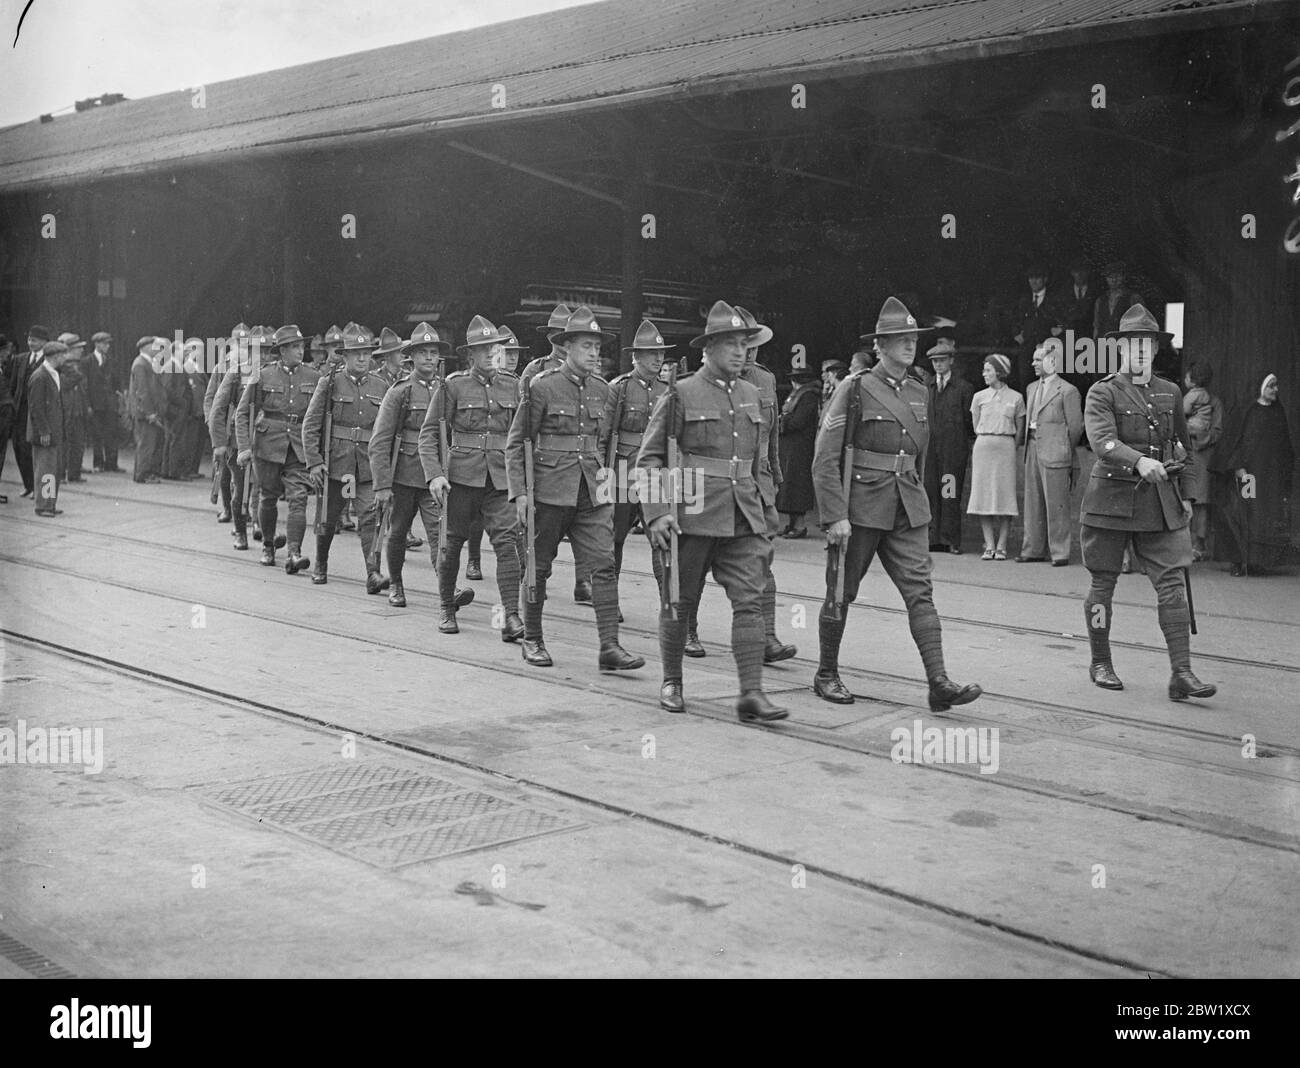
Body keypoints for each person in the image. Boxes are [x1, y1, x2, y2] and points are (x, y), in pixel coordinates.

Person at [810, 296, 982, 712]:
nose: (908, 345)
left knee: (921, 593)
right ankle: (826, 673)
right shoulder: (855, 388)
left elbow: (920, 455)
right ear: (880, 347)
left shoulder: (921, 391)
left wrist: (919, 497)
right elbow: (824, 457)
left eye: (912, 338)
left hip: (906, 505)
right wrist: (835, 515)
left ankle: (938, 682)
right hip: (861, 507)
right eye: (898, 339)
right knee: (841, 590)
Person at [637, 299, 787, 721]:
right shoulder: (681, 394)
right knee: (678, 601)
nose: (740, 352)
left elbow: (758, 461)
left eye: (744, 343)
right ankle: (672, 680)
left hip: (743, 515)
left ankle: (751, 692)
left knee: (750, 602)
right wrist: (657, 513)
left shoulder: (753, 394)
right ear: (709, 349)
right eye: (730, 344)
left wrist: (766, 510)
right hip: (692, 513)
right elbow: (649, 459)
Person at [1080, 304, 1214, 701]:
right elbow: (1102, 441)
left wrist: (1187, 495)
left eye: (1147, 343)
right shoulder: (1102, 391)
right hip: (1111, 501)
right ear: (1121, 348)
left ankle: (1182, 673)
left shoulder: (1171, 392)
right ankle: (1100, 661)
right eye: (1133, 343)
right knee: (1103, 583)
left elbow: (1185, 449)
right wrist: (1139, 461)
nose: (1140, 350)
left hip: (1160, 502)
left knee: (1172, 583)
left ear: (1156, 349)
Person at [506, 305, 643, 672]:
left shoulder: (603, 390)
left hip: (591, 491)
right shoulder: (543, 387)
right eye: (586, 346)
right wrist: (520, 492)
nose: (595, 353)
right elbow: (519, 441)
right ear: (566, 348)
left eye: (598, 347)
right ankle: (532, 638)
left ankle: (609, 646)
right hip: (549, 490)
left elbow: (605, 442)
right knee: (539, 565)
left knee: (603, 563)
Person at [415, 316, 521, 634]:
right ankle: (447, 608)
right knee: (452, 543)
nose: (491, 354)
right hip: (461, 478)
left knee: (507, 544)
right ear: (470, 355)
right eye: (483, 349)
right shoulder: (454, 386)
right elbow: (429, 434)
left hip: (500, 479)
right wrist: (434, 475)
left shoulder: (513, 386)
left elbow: (523, 436)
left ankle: (511, 617)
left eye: (495, 348)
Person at [371, 323, 474, 610]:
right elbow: (380, 441)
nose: (429, 358)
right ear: (411, 357)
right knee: (399, 529)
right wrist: (381, 484)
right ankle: (396, 584)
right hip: (403, 473)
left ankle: (447, 586)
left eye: (433, 353)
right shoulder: (400, 392)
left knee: (438, 532)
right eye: (423, 353)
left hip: (436, 475)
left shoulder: (447, 389)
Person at [302, 323, 391, 592]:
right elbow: (311, 424)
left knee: (369, 517)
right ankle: (321, 563)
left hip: (365, 467)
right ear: (345, 356)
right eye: (356, 354)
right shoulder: (329, 383)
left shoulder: (382, 386)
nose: (362, 358)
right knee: (327, 519)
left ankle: (373, 573)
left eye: (366, 353)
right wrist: (315, 462)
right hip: (336, 465)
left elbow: (386, 431)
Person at [235, 324, 319, 573]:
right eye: (294, 347)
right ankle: (269, 545)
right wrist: (243, 447)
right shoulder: (263, 375)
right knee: (268, 497)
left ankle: (294, 552)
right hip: (268, 444)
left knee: (299, 498)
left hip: (299, 445)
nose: (299, 351)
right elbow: (242, 413)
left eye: (301, 346)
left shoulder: (314, 377)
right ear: (281, 351)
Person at [602, 319, 669, 600]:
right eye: (650, 353)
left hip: (656, 472)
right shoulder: (620, 388)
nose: (658, 358)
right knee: (614, 538)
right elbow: (605, 435)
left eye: (661, 353)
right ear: (635, 357)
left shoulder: (668, 390)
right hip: (622, 469)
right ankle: (609, 599)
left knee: (662, 537)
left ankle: (670, 604)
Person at [1214, 373, 1294, 576]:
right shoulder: (1247, 411)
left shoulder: (1278, 411)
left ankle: (1260, 562)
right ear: (1260, 387)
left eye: (1276, 385)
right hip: (1249, 477)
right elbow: (1236, 441)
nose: (1275, 389)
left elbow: (1285, 448)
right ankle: (1241, 561)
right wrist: (1239, 467)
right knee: (1246, 513)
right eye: (1271, 386)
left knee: (1264, 517)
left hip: (1271, 480)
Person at [1017, 341, 1083, 565]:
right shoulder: (1031, 388)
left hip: (1056, 451)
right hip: (1033, 446)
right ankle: (1033, 549)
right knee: (1032, 501)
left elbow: (1076, 427)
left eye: (1038, 359)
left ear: (1052, 361)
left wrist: (1063, 447)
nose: (1033, 363)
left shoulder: (1068, 390)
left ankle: (1059, 552)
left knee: (1057, 504)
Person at [967, 353, 1025, 559]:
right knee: (984, 496)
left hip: (1006, 448)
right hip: (983, 447)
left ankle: (1002, 545)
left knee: (1005, 496)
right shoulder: (979, 397)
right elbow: (975, 425)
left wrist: (1011, 447)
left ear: (999, 372)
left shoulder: (1016, 397)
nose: (984, 374)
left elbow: (1020, 429)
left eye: (988, 370)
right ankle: (989, 545)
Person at [923, 335, 975, 554]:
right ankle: (933, 538)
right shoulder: (927, 387)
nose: (938, 365)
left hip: (952, 452)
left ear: (951, 361)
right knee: (931, 491)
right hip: (930, 451)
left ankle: (950, 539)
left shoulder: (963, 388)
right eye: (935, 361)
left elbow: (968, 421)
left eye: (942, 360)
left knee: (949, 493)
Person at [3, 324, 52, 498]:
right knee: (19, 448)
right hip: (21, 412)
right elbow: (12, 383)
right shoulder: (20, 359)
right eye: (30, 339)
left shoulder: (49, 360)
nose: (31, 343)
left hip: (39, 413)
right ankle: (28, 485)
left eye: (35, 340)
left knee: (36, 451)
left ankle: (39, 489)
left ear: (45, 342)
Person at [1181, 360, 1222, 562]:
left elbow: (1217, 430)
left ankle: (1199, 544)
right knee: (1185, 499)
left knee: (1201, 502)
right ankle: (1183, 543)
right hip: (1186, 455)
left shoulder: (1214, 402)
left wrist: (1199, 439)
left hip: (1202, 456)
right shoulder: (1201, 399)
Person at [776, 368, 821, 538]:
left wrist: (782, 421)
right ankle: (792, 523)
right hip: (792, 448)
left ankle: (800, 526)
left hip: (800, 448)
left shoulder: (808, 396)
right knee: (789, 487)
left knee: (797, 487)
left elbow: (798, 421)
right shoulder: (800, 395)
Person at [27, 339, 68, 516]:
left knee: (53, 470)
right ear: (55, 356)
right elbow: (35, 407)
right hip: (45, 433)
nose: (65, 358)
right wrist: (44, 431)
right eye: (62, 355)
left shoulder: (54, 373)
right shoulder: (39, 376)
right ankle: (43, 506)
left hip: (55, 431)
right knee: (45, 470)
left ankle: (49, 504)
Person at [1012, 264, 1064, 390]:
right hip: (1027, 347)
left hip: (1047, 346)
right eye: (1031, 278)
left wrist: (1060, 328)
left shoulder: (1055, 299)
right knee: (1026, 381)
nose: (1033, 281)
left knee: (1048, 381)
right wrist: (1017, 334)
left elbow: (1064, 318)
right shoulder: (1024, 300)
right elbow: (1015, 320)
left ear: (1045, 279)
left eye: (1037, 278)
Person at [129, 336, 166, 483]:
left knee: (150, 443)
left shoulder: (146, 363)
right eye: (153, 346)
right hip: (145, 413)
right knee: (146, 444)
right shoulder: (140, 364)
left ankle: (147, 472)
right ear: (146, 347)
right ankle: (142, 474)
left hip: (148, 411)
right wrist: (149, 412)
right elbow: (142, 391)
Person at [56, 334, 90, 482]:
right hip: (67, 410)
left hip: (79, 410)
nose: (81, 350)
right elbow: (64, 385)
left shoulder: (79, 365)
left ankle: (74, 474)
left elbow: (84, 389)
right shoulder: (61, 368)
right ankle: (61, 473)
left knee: (78, 443)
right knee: (65, 444)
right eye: (78, 348)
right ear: (69, 350)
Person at [86, 331, 120, 472]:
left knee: (111, 433)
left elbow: (116, 382)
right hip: (95, 404)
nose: (107, 346)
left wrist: (116, 396)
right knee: (97, 435)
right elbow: (85, 385)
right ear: (97, 344)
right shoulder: (87, 361)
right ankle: (98, 463)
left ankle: (112, 463)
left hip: (110, 404)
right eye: (105, 343)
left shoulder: (112, 361)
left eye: (108, 343)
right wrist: (88, 404)